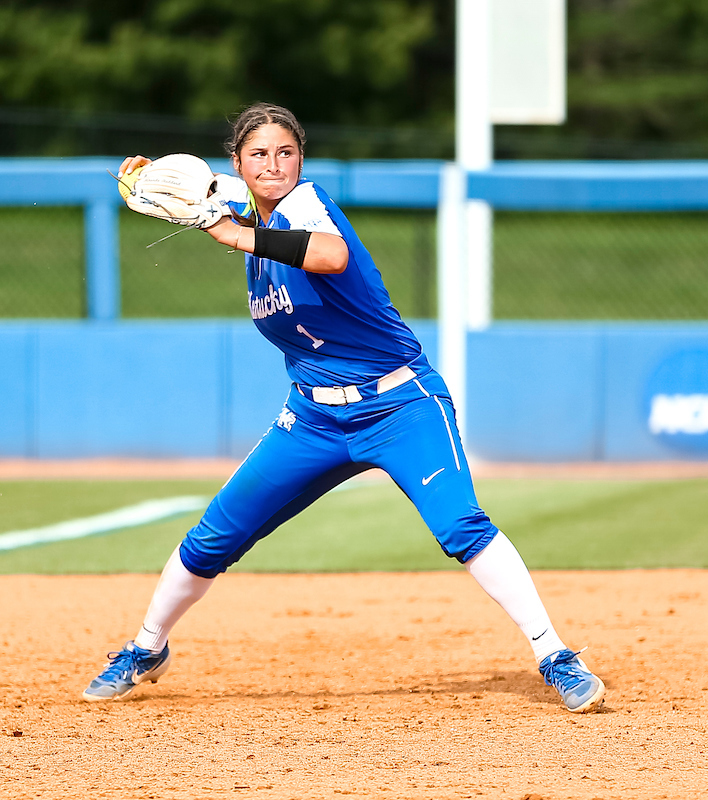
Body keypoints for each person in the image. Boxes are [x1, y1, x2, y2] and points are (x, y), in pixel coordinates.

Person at [82, 103, 605, 714]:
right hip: (312, 419)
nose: (274, 165)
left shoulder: (304, 203)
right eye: (258, 155)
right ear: (237, 164)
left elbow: (329, 256)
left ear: (301, 158)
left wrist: (230, 229)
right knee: (215, 535)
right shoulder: (254, 219)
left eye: (286, 152)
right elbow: (233, 206)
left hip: (398, 403)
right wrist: (206, 209)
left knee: (460, 525)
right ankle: (147, 646)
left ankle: (555, 656)